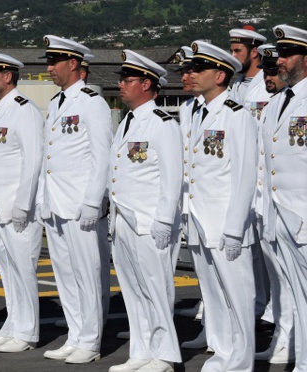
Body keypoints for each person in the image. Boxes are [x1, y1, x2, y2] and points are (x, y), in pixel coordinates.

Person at [37, 35, 112, 364]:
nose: (50, 68)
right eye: (49, 61)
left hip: (80, 204)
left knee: (87, 273)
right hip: (56, 203)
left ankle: (91, 341)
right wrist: (43, 198)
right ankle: (76, 334)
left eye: (55, 61)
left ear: (74, 64)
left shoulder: (91, 103)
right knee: (65, 275)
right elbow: (48, 157)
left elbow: (101, 157)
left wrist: (93, 202)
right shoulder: (56, 104)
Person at [107, 50, 182, 372]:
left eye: (128, 80)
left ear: (147, 83)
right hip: (124, 218)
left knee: (156, 288)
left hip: (149, 220)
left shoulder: (162, 124)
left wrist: (165, 219)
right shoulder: (127, 122)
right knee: (133, 290)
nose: (121, 85)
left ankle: (164, 355)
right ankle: (141, 351)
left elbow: (172, 176)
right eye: (122, 79)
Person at [187, 40, 258, 371]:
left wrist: (234, 228)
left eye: (200, 69)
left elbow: (245, 174)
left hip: (226, 222)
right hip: (201, 219)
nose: (194, 73)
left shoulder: (235, 115)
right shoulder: (199, 112)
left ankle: (240, 361)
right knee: (214, 294)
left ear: (219, 75)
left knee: (238, 296)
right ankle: (222, 351)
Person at [0, 50, 44, 353]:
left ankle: (27, 332)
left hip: (16, 206)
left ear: (8, 76)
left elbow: (33, 159)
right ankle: (13, 324)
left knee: (23, 269)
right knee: (8, 270)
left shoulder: (23, 110)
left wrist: (23, 204)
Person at [260, 24, 307, 370]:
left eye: (288, 54)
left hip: (305, 215)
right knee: (300, 300)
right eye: (280, 54)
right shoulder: (274, 106)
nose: (280, 61)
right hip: (283, 218)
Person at [253, 43, 295, 365]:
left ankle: (292, 344)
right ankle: (284, 339)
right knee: (280, 283)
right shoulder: (273, 106)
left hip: (297, 212)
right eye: (268, 68)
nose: (273, 71)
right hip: (271, 211)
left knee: (296, 287)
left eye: (277, 65)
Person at [229, 26, 271, 322]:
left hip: (264, 177)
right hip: (240, 176)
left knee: (269, 249)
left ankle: (271, 306)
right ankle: (258, 302)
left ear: (254, 52)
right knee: (252, 250)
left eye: (237, 51)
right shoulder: (236, 86)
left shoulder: (267, 86)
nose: (232, 56)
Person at [174, 46, 211, 351]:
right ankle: (209, 330)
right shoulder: (187, 109)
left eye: (190, 71)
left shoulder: (225, 108)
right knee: (204, 275)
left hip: (212, 202)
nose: (185, 77)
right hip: (189, 200)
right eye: (183, 72)